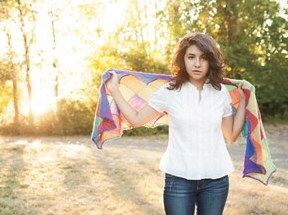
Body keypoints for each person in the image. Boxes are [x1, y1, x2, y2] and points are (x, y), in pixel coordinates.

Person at [105, 32, 246, 215]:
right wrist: (115, 90)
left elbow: (231, 135)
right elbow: (136, 119)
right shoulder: (169, 92)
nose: (197, 64)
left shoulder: (220, 93)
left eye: (203, 58)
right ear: (183, 60)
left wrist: (242, 103)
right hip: (179, 179)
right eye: (191, 57)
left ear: (211, 61)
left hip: (216, 180)